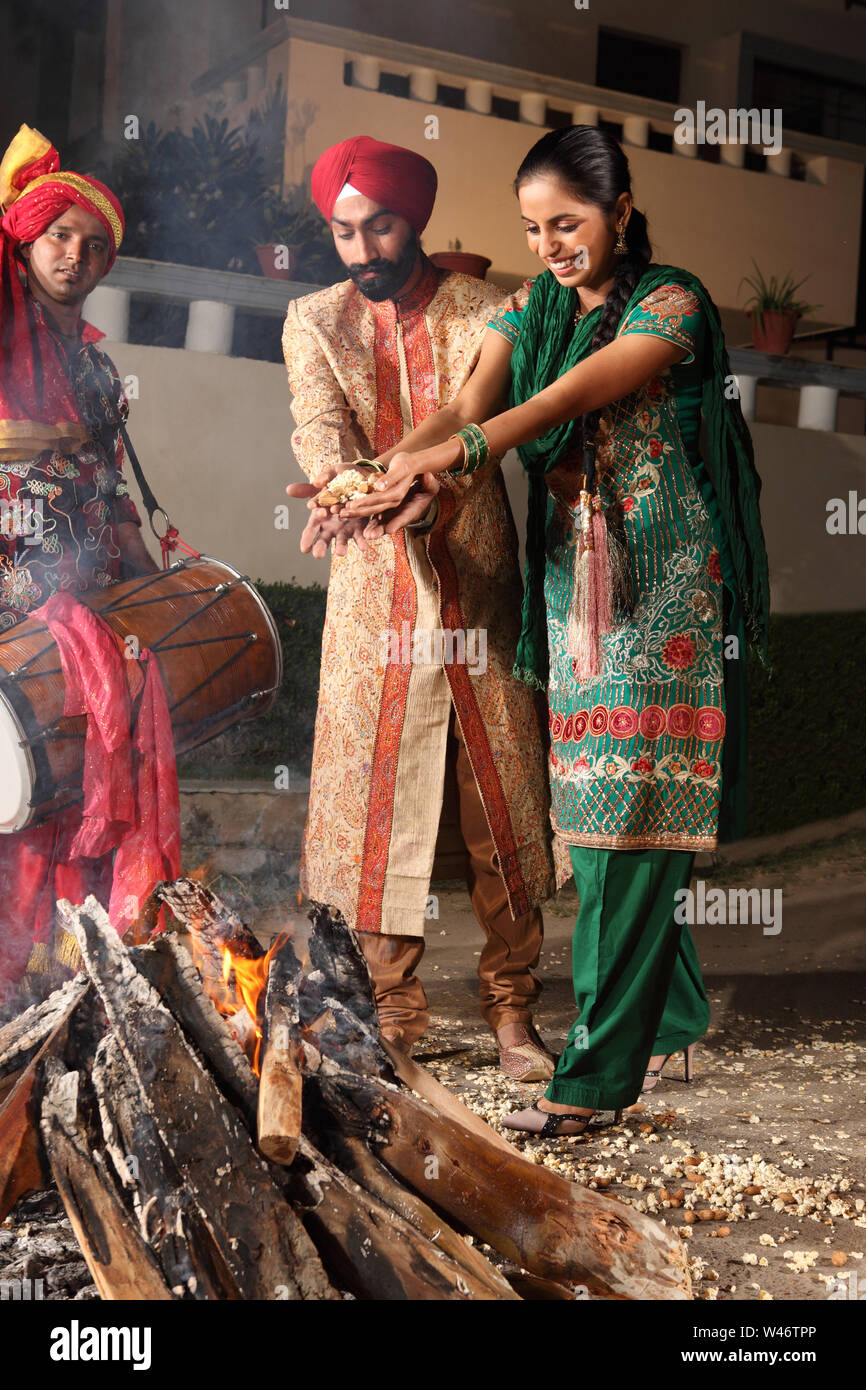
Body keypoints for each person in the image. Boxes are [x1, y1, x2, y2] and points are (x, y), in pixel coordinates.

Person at [340, 126, 770, 1135]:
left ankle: (593, 1081)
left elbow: (568, 393)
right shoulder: (530, 304)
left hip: (663, 584)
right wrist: (367, 479)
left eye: (567, 224)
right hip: (571, 589)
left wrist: (473, 449)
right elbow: (461, 405)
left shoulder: (672, 300)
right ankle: (668, 1013)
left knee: (630, 822)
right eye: (532, 229)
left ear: (618, 209)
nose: (549, 246)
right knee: (594, 823)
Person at [283, 135, 558, 1077]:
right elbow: (320, 430)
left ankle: (512, 1012)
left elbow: (486, 425)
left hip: (477, 576)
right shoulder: (312, 320)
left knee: (504, 796)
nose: (362, 250)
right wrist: (346, 486)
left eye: (380, 226)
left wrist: (426, 484)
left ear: (416, 220)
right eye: (344, 231)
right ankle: (394, 1013)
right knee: (371, 798)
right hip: (373, 588)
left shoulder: (491, 308)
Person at [0, 125, 160, 999]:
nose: (76, 254)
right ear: (23, 237)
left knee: (76, 777)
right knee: (12, 780)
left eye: (95, 245)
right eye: (59, 234)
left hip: (91, 593)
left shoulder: (96, 365)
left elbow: (108, 478)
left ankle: (69, 968)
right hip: (7, 600)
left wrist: (146, 569)